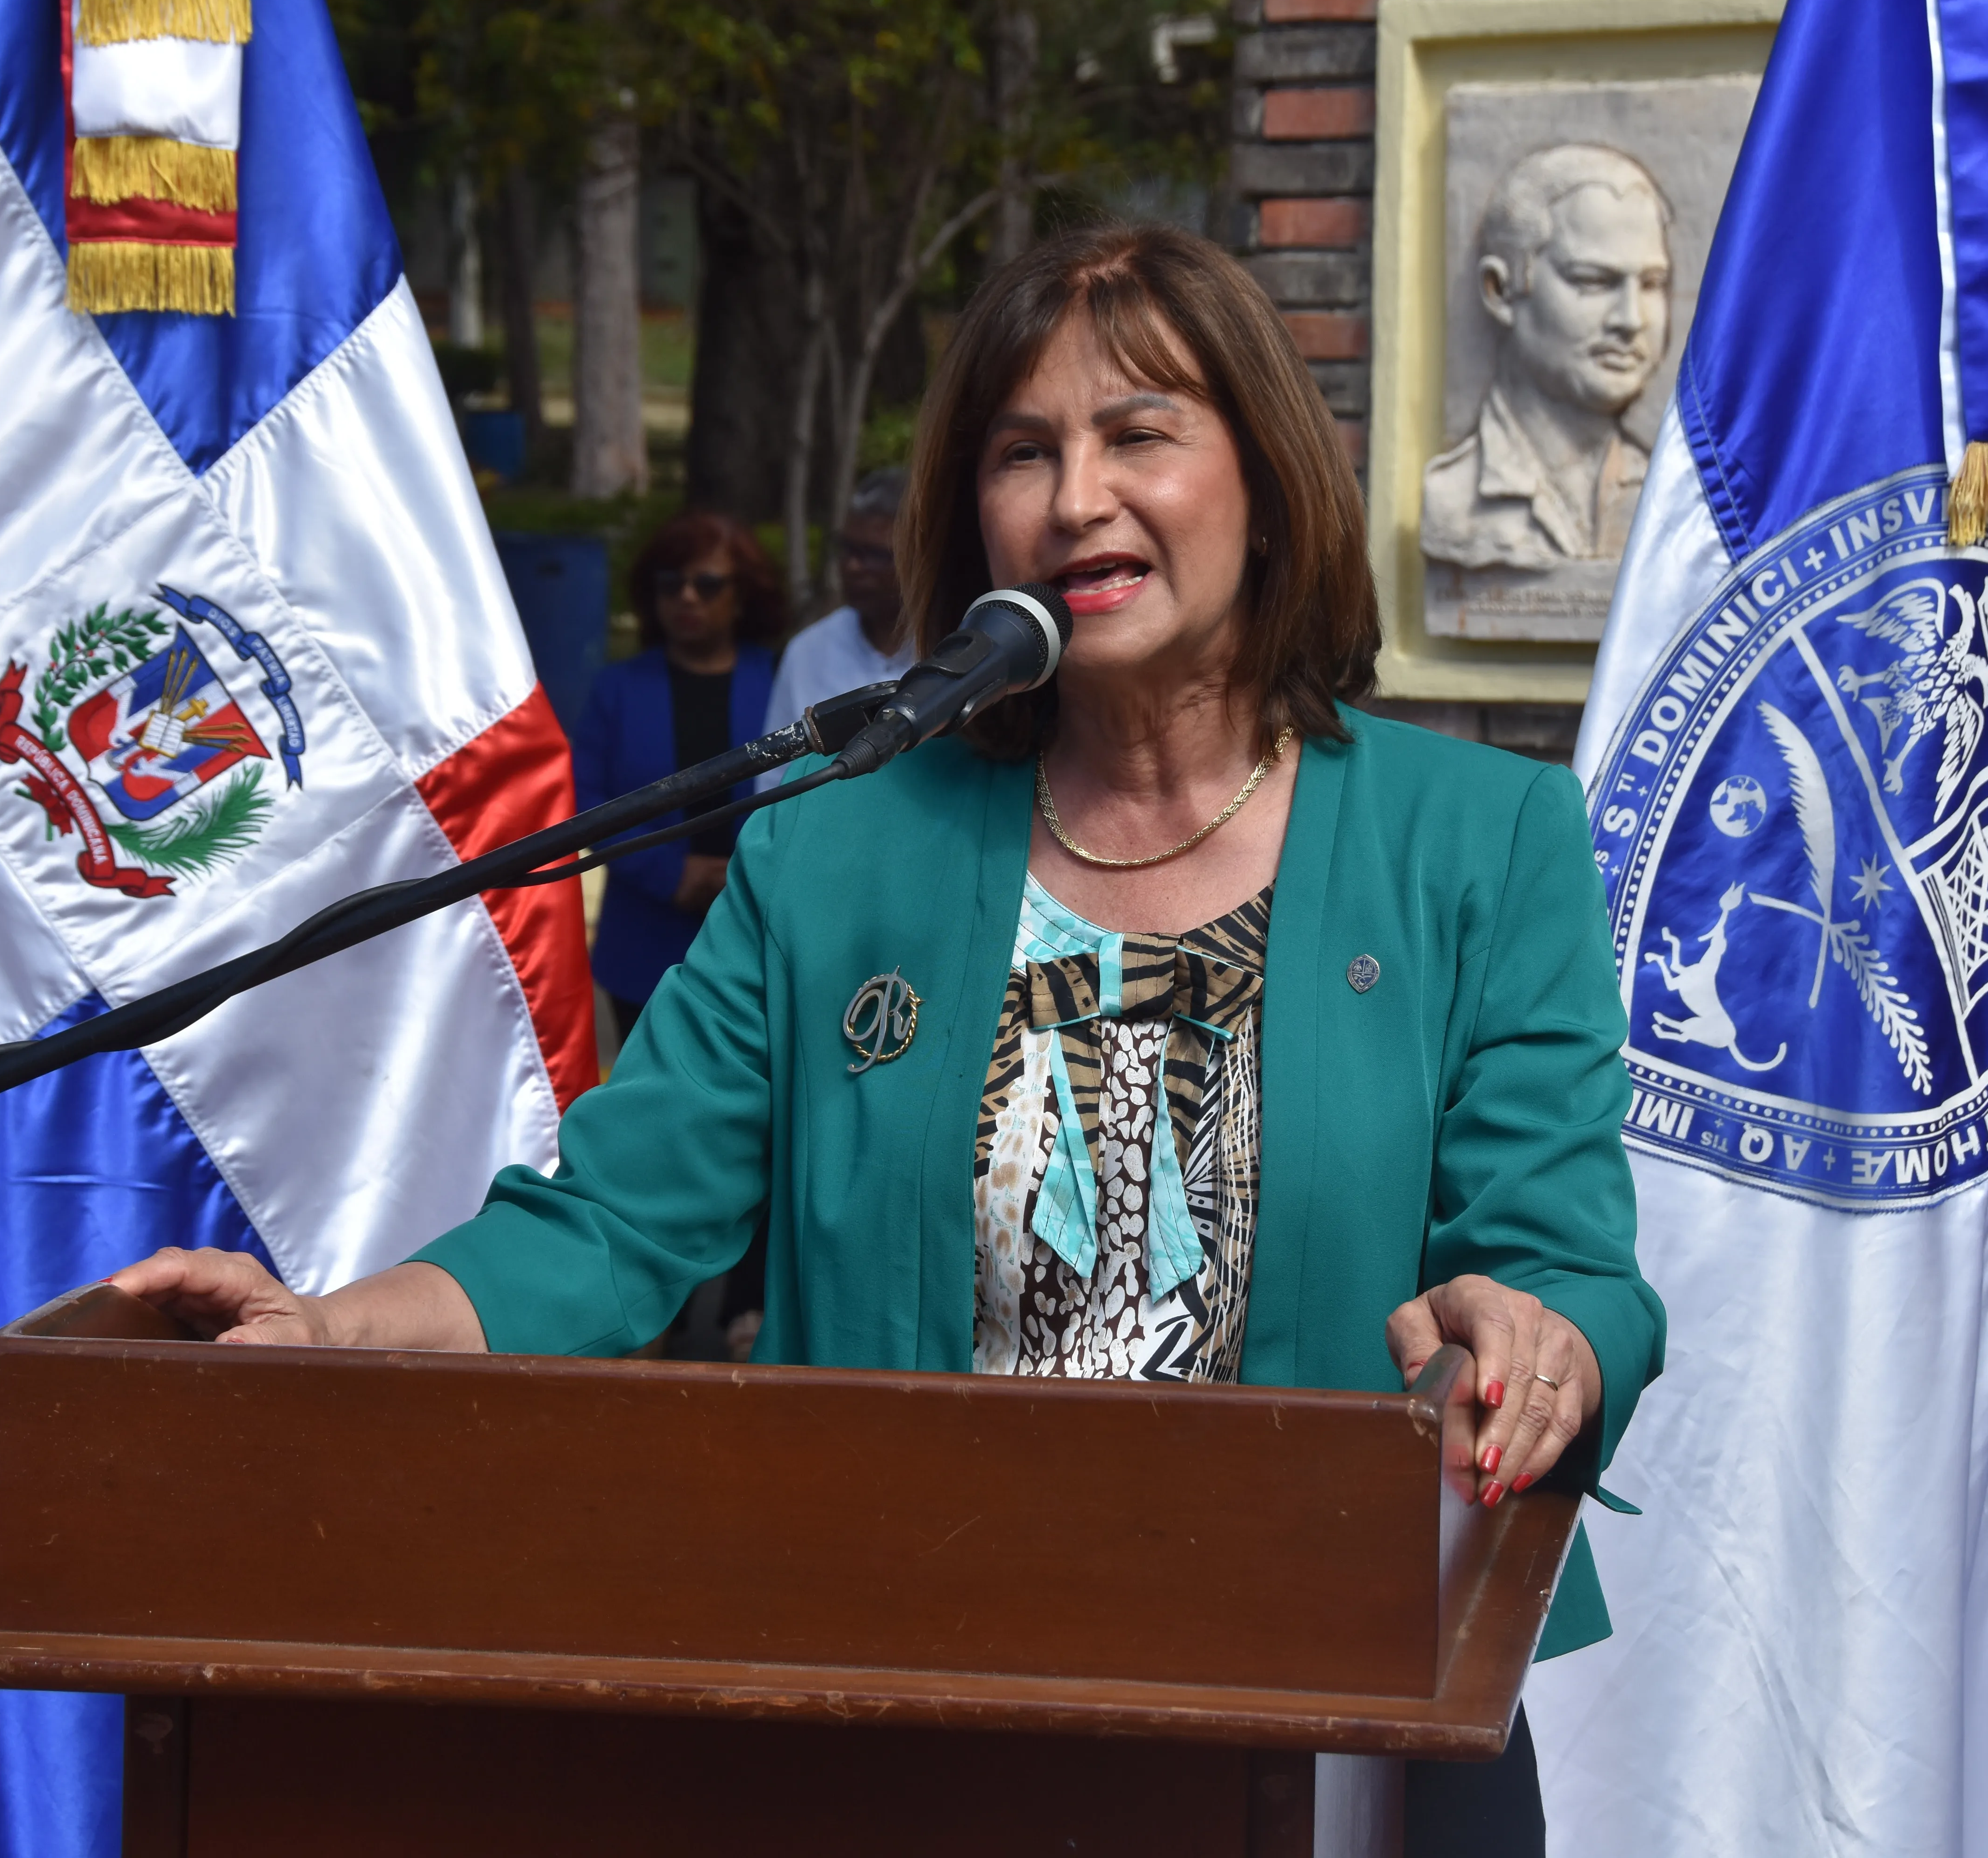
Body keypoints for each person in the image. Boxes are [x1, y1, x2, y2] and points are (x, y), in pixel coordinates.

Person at [116, 221, 1663, 1857]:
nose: (1078, 499)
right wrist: (335, 1339)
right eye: (1024, 452)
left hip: (1348, 1722)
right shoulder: (841, 851)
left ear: (1267, 483)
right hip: (914, 1719)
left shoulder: (1481, 843)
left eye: (1141, 434)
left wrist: (1546, 1343)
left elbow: (1566, 1264)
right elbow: (617, 1221)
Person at [571, 511, 781, 1047]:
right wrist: (670, 873)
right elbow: (588, 802)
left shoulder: (781, 679)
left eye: (707, 584)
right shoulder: (618, 689)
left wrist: (737, 872)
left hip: (754, 932)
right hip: (642, 937)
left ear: (742, 595)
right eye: (671, 585)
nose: (687, 598)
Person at [1422, 143, 1673, 573]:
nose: (1631, 320)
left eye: (1651, 283)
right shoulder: (1452, 496)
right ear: (1500, 291)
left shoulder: (1675, 499)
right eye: (1593, 281)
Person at [768, 467, 917, 723]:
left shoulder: (954, 648)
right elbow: (780, 763)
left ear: (921, 558)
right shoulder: (808, 652)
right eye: (847, 549)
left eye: (875, 554)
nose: (853, 566)